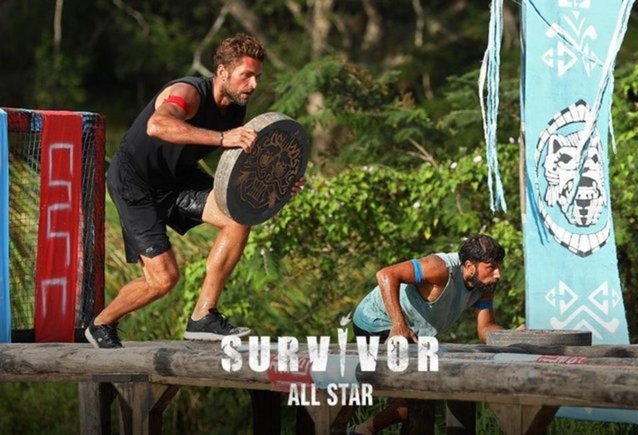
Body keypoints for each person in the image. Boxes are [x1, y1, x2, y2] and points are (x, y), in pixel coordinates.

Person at [85, 33, 303, 349]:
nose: (254, 84)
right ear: (223, 72)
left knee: (238, 217)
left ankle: (203, 317)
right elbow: (157, 125)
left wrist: (281, 181)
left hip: (178, 179)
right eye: (246, 75)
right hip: (135, 183)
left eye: (257, 77)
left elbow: (253, 163)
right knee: (163, 280)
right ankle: (101, 323)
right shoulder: (187, 92)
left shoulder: (234, 108)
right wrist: (223, 138)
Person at [350, 234, 505, 434]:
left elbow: (486, 329)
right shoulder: (439, 267)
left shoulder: (486, 284)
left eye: (499, 266)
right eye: (491, 267)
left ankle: (363, 430)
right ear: (470, 266)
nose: (498, 274)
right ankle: (364, 430)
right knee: (421, 392)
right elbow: (386, 274)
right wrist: (398, 325)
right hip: (375, 322)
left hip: (413, 333)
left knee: (423, 393)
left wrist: (509, 336)